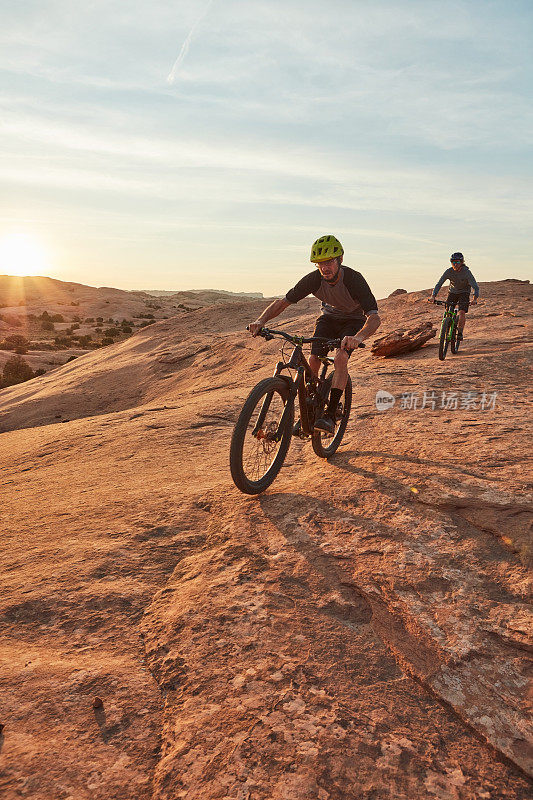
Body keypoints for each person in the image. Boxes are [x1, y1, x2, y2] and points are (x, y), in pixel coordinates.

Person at [249, 235, 381, 434]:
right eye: (320, 263)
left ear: (340, 260)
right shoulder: (313, 279)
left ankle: (329, 415)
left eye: (328, 261)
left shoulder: (354, 279)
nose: (324, 267)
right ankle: (310, 410)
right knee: (312, 359)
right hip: (328, 319)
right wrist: (261, 320)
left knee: (341, 358)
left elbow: (374, 317)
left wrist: (358, 337)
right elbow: (283, 302)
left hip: (353, 321)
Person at [427, 252, 479, 340]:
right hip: (453, 292)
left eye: (457, 262)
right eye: (453, 262)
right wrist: (433, 296)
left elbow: (475, 287)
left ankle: (460, 333)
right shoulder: (449, 271)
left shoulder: (467, 272)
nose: (455, 264)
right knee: (448, 310)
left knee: (462, 312)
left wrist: (474, 298)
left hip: (464, 292)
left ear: (462, 262)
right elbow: (439, 284)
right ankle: (446, 328)